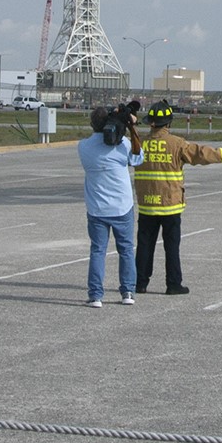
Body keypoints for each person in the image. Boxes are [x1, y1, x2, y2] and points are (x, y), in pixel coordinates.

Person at [130, 100, 222, 296]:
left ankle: (140, 283)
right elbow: (202, 155)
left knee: (144, 246)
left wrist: (130, 126)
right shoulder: (177, 144)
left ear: (151, 123)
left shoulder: (139, 144)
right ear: (168, 124)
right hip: (170, 206)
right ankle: (173, 284)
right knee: (171, 247)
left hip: (147, 205)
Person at [76, 102, 145, 307]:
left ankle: (96, 295)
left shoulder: (83, 147)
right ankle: (128, 292)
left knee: (98, 250)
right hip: (122, 206)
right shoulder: (122, 144)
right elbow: (138, 159)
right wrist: (131, 126)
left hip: (97, 207)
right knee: (125, 249)